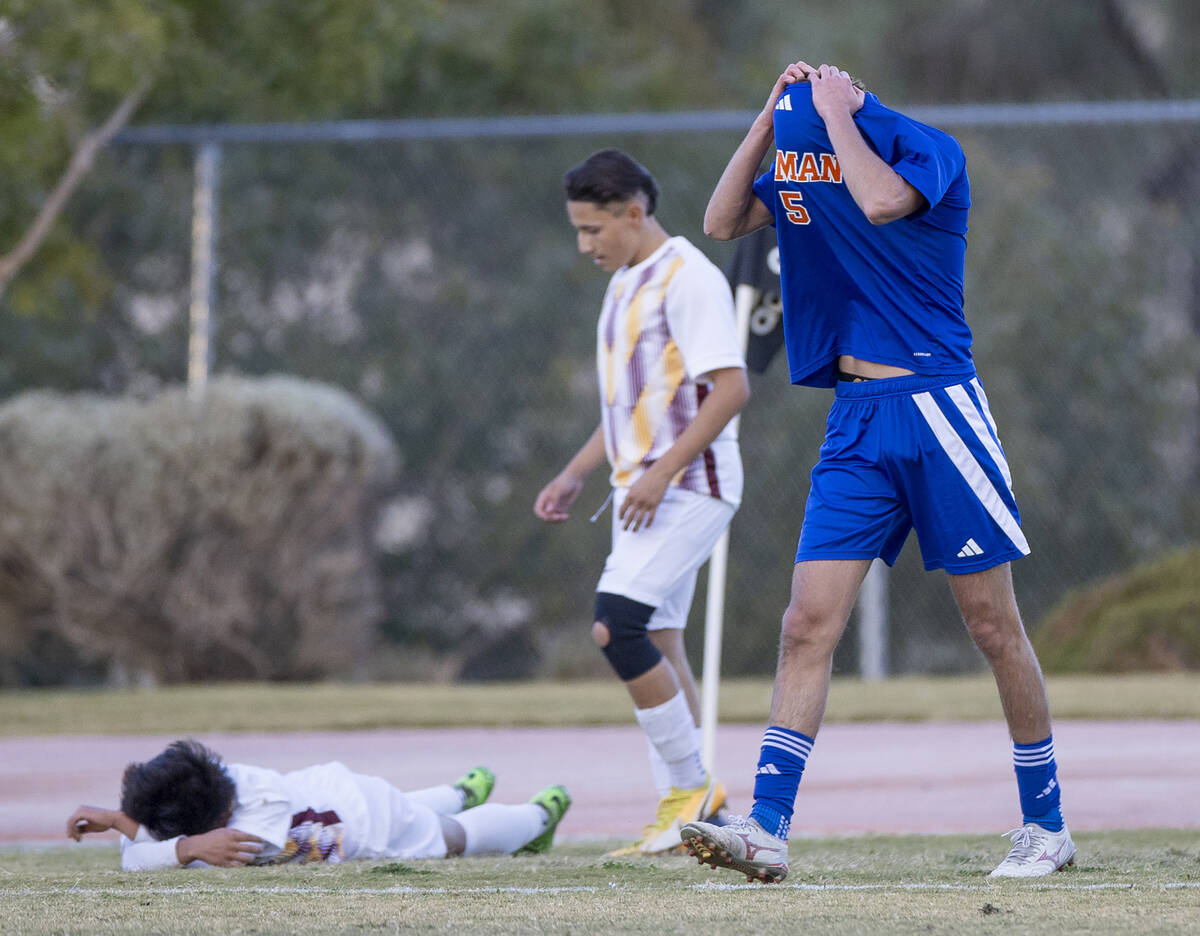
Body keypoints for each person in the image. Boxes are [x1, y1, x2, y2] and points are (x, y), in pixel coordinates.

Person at [679, 62, 1073, 883]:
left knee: (993, 627)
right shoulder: (803, 164)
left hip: (937, 408)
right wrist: (765, 124)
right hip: (855, 421)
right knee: (804, 624)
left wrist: (839, 113)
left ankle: (1047, 825)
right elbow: (720, 221)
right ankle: (767, 827)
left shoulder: (926, 149)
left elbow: (881, 201)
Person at [534, 149, 750, 855]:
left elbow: (731, 390)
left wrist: (661, 472)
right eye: (577, 230)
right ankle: (698, 822)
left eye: (594, 230)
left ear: (634, 213)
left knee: (615, 626)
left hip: (692, 489)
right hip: (642, 497)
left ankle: (690, 789)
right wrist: (574, 473)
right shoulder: (625, 283)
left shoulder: (689, 279)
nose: (584, 245)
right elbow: (627, 405)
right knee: (657, 640)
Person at [66, 739, 570, 869]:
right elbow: (168, 839)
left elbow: (142, 860)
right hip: (343, 792)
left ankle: (540, 813)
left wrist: (134, 832)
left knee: (451, 840)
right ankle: (463, 791)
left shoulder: (246, 839)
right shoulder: (224, 778)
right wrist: (123, 819)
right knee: (423, 810)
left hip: (372, 826)